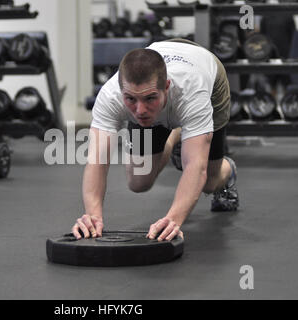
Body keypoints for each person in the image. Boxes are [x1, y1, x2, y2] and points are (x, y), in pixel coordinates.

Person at [72, 39, 239, 241]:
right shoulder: (110, 96)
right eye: (131, 99)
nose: (140, 110)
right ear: (121, 90)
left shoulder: (193, 92)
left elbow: (196, 167)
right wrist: (93, 215)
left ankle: (226, 168)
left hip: (207, 73)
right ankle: (180, 135)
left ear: (166, 87)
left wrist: (173, 219)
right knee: (139, 181)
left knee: (210, 183)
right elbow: (96, 160)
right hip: (166, 76)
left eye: (150, 98)